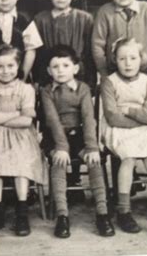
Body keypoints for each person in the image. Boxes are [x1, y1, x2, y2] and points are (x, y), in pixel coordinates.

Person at [101, 38, 147, 238]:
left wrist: (129, 110)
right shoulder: (110, 82)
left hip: (146, 128)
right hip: (120, 130)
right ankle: (124, 210)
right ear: (115, 60)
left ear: (141, 60)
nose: (128, 62)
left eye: (133, 58)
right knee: (128, 158)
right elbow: (112, 116)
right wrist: (139, 116)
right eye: (122, 58)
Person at [40, 44, 114, 238]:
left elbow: (89, 118)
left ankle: (102, 213)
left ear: (75, 68)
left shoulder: (83, 89)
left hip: (80, 134)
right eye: (55, 67)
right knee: (59, 162)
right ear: (49, 70)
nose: (60, 71)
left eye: (65, 65)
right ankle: (62, 215)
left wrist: (91, 147)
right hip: (55, 137)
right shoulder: (46, 91)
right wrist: (61, 147)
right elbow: (52, 120)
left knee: (94, 162)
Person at [0, 44, 46, 237]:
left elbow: (27, 121)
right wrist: (16, 113)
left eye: (10, 66)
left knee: (22, 162)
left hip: (22, 137)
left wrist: (2, 116)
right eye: (0, 67)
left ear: (18, 65)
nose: (5, 71)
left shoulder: (26, 88)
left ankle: (22, 212)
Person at [33, 0, 96, 90]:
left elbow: (89, 54)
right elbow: (37, 56)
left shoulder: (85, 19)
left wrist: (90, 82)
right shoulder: (40, 20)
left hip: (79, 79)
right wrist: (38, 80)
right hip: (49, 80)